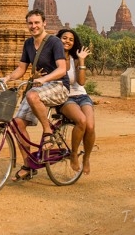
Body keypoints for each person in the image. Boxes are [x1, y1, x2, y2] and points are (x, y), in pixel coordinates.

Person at [1, 9, 68, 182]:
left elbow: (62, 69)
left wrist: (44, 78)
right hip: (38, 88)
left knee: (32, 95)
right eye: (30, 23)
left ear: (44, 23)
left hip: (59, 86)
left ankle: (47, 131)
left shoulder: (54, 42)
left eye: (37, 22)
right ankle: (28, 166)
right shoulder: (28, 44)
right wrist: (7, 78)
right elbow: (21, 69)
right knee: (16, 124)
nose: (34, 26)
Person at [56, 28, 96, 175]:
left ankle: (86, 157)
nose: (67, 41)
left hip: (82, 96)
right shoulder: (53, 59)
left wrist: (82, 60)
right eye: (64, 38)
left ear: (74, 43)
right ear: (58, 40)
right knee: (82, 121)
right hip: (65, 98)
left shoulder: (75, 60)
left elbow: (82, 82)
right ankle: (73, 154)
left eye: (71, 39)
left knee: (90, 126)